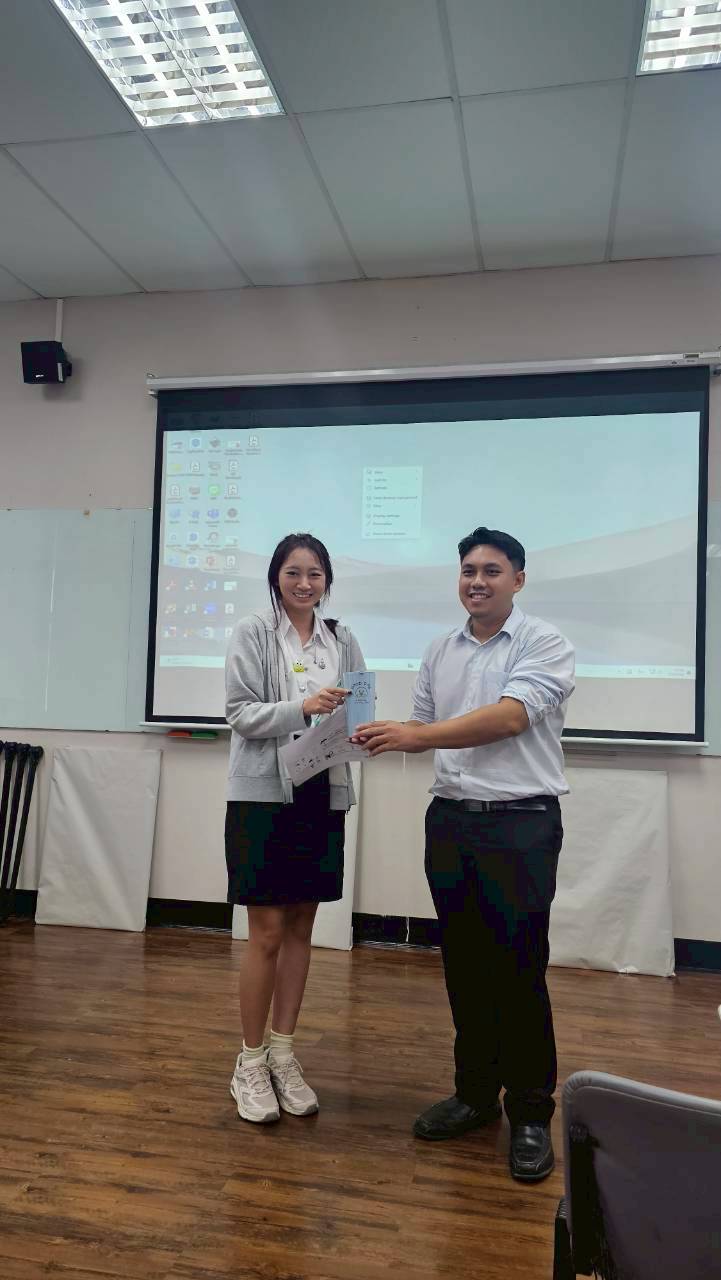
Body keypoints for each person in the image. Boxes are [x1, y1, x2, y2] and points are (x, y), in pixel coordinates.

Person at [353, 527, 574, 1181]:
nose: (477, 581)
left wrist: (413, 738)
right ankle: (475, 1095)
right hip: (451, 823)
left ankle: (530, 1112)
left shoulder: (544, 642)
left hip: (521, 824)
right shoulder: (439, 649)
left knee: (519, 969)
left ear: (518, 580)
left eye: (491, 570)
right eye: (468, 570)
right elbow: (423, 727)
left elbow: (508, 718)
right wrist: (368, 731)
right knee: (465, 966)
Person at [225, 533, 365, 1124]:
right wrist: (302, 709)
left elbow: (358, 706)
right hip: (263, 796)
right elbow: (239, 713)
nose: (304, 584)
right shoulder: (254, 632)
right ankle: (250, 1062)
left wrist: (359, 727)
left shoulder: (341, 638)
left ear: (326, 581)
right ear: (275, 578)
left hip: (320, 792)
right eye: (293, 573)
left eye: (315, 574)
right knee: (266, 932)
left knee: (303, 926)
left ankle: (284, 1055)